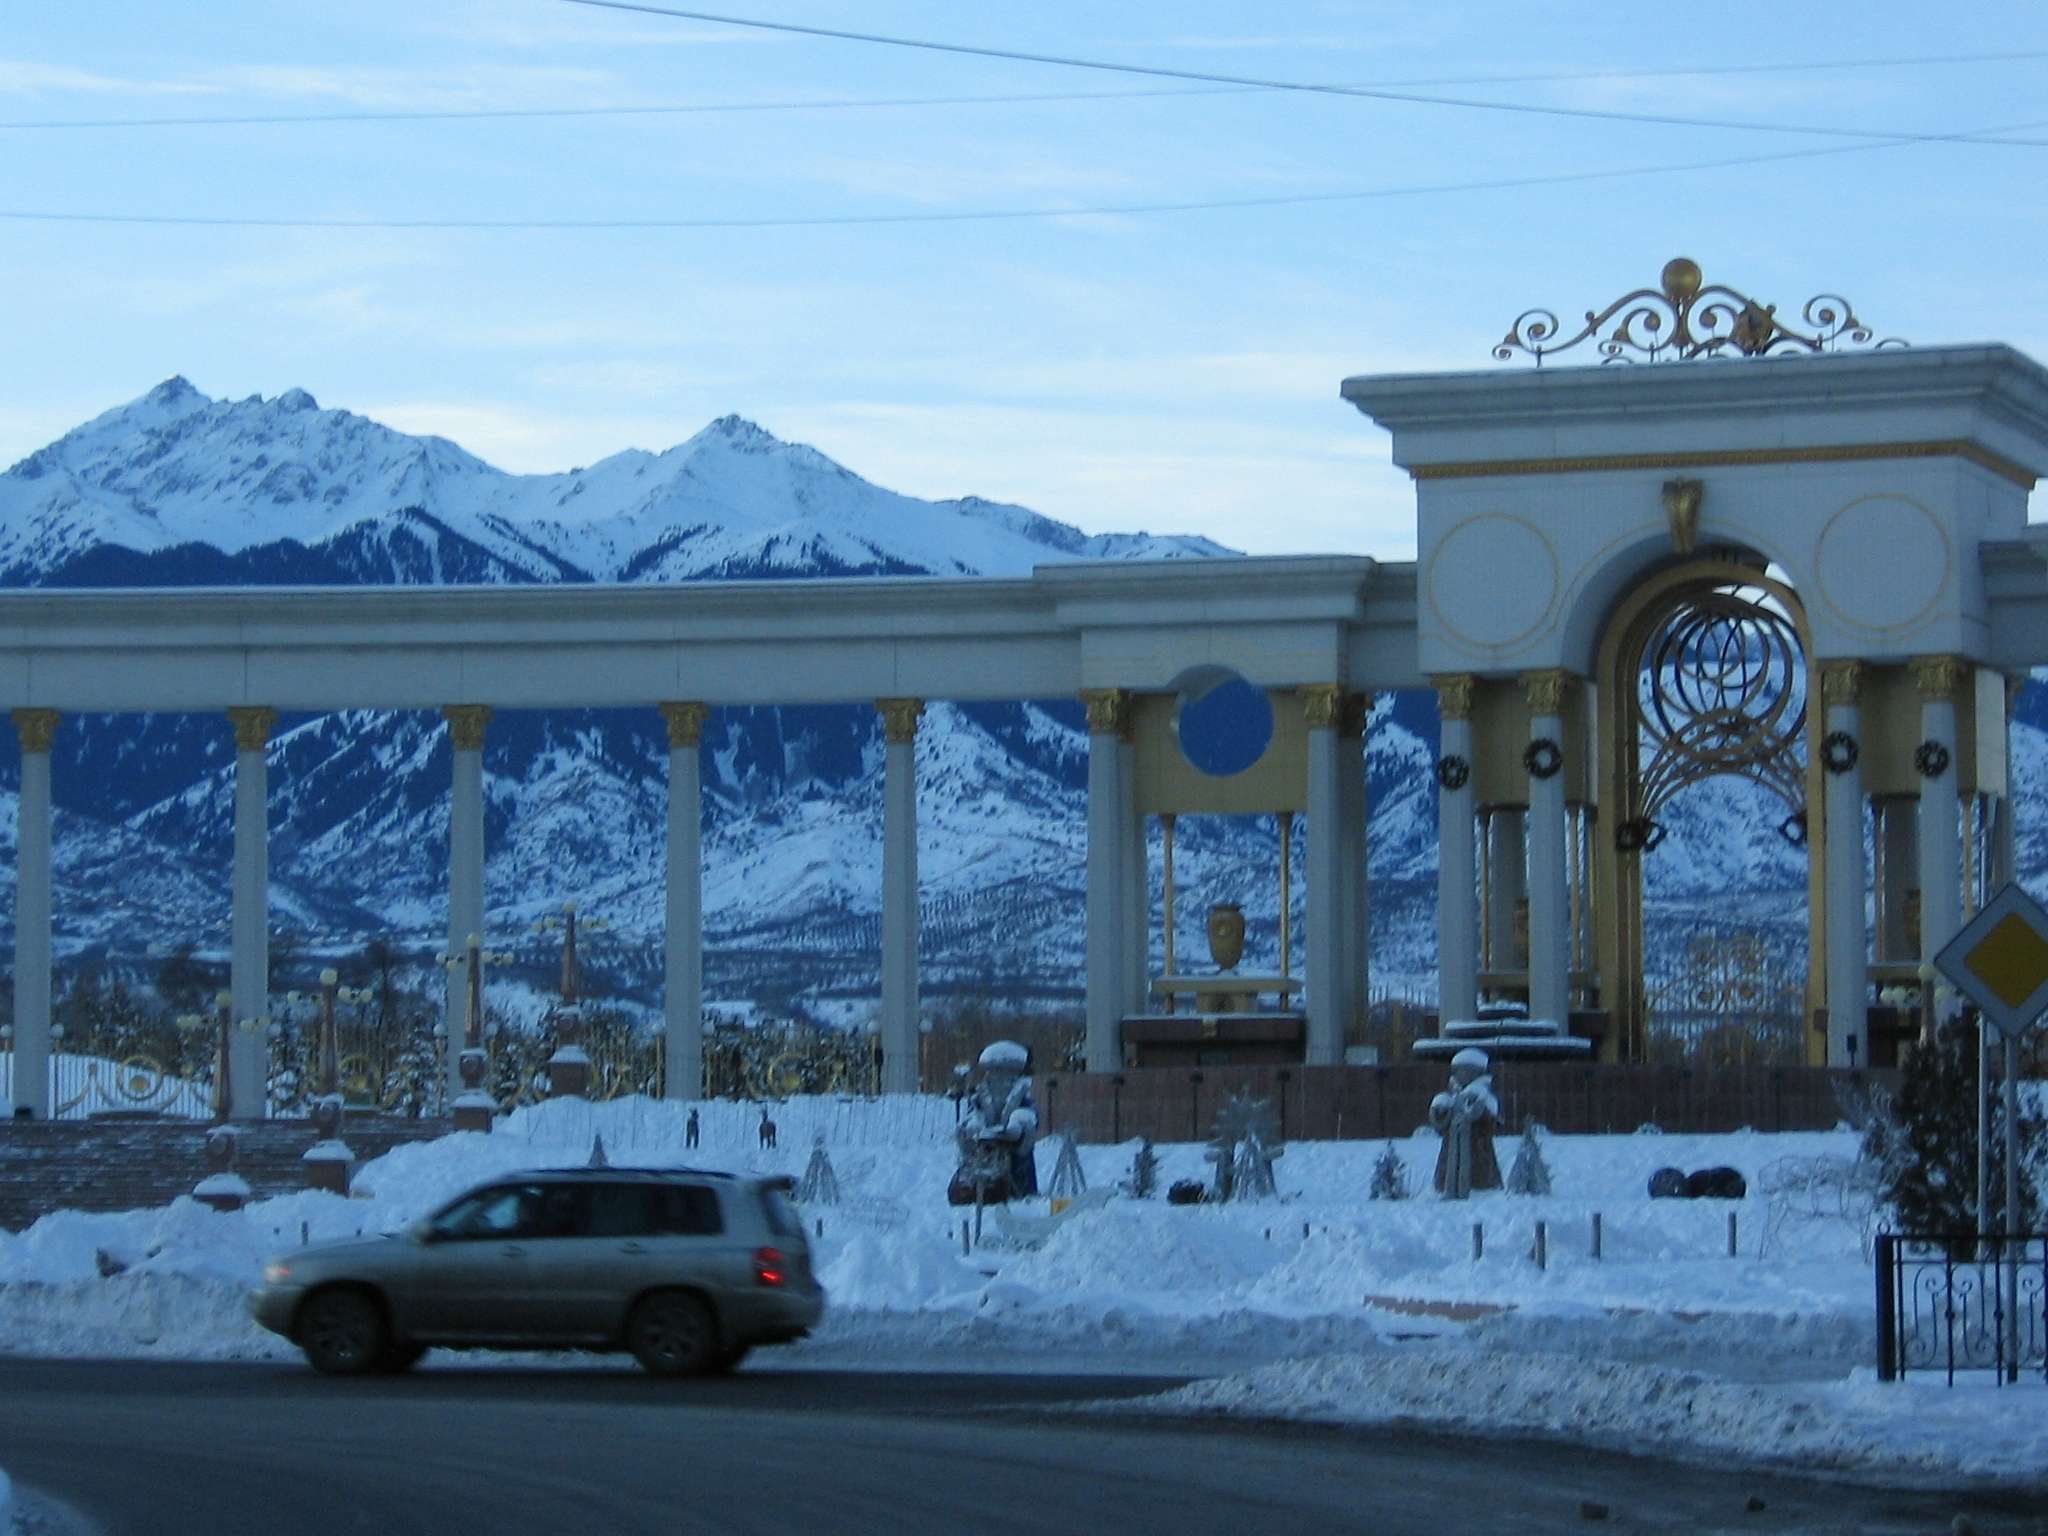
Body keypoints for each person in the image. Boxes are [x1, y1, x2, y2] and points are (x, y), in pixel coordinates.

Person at [953, 1040, 1040, 1200]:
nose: (1000, 1077)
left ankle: (1017, 1190)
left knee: (1018, 1160)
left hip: (1011, 1131)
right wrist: (974, 1125)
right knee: (967, 1134)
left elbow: (1030, 1113)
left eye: (1006, 1073)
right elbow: (974, 1111)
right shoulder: (982, 1091)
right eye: (995, 1072)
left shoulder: (1022, 1090)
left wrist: (1016, 1124)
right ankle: (977, 1185)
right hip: (987, 1131)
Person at [1429, 1047, 1502, 1199]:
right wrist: (1440, 1110)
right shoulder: (1451, 1096)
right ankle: (1446, 1187)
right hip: (1450, 1151)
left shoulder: (1484, 1097)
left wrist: (1480, 1109)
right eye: (1460, 1072)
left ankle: (1476, 1188)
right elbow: (1440, 1126)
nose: (1463, 1076)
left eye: (1468, 1072)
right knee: (1447, 1168)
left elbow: (1493, 1124)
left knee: (1481, 1176)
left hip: (1479, 1151)